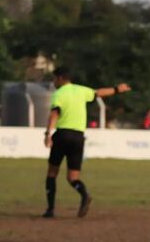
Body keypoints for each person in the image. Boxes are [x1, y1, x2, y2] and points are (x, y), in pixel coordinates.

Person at [42, 66, 131, 218]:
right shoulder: (81, 90)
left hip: (63, 135)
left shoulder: (59, 94)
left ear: (60, 78)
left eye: (54, 79)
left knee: (52, 172)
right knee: (73, 178)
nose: (54, 82)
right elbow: (99, 92)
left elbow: (54, 114)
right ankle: (84, 194)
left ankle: (50, 210)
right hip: (78, 137)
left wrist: (47, 133)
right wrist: (117, 89)